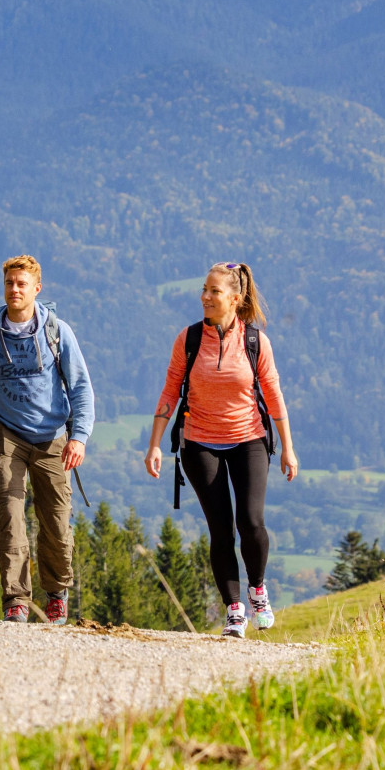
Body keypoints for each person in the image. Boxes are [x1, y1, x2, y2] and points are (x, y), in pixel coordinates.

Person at [142, 262, 300, 637]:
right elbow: (170, 391)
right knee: (221, 530)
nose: (205, 297)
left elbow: (274, 395)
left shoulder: (255, 341)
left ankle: (257, 587)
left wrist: (289, 449)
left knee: (251, 522)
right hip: (199, 443)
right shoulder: (189, 339)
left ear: (235, 298)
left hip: (249, 440)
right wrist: (154, 444)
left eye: (214, 291)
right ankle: (234, 610)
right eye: (204, 289)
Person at [0, 255, 94, 624]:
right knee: (10, 518)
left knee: (56, 521)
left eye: (22, 284)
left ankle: (56, 594)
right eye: (9, 283)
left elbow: (80, 386)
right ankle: (16, 600)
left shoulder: (57, 331)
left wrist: (78, 436)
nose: (14, 290)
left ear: (37, 288)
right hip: (6, 437)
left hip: (53, 438)